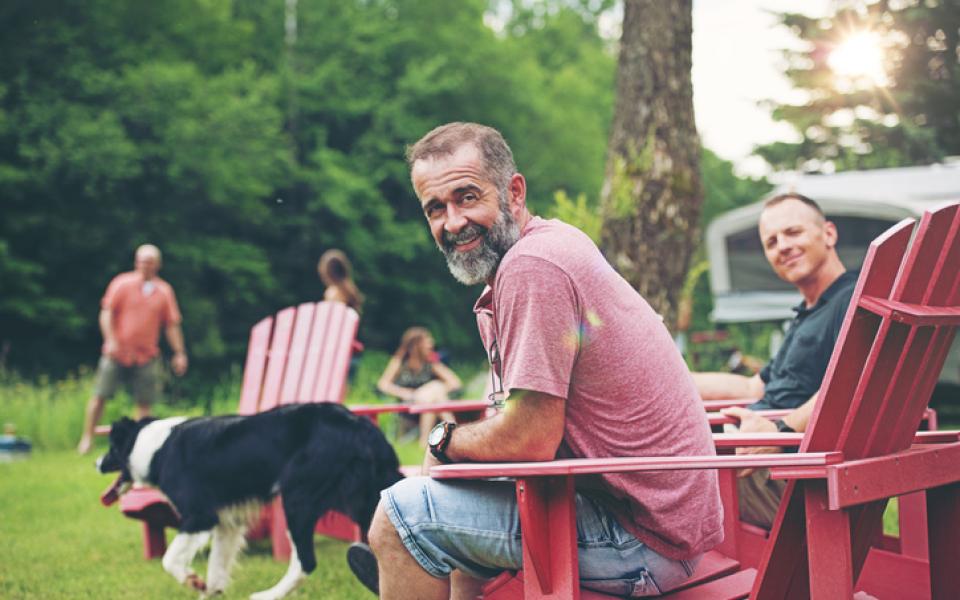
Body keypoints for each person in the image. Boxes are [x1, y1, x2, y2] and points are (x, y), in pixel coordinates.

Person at [347, 122, 722, 599]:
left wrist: (443, 439)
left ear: (514, 192)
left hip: (642, 540)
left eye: (466, 197)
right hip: (660, 522)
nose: (453, 222)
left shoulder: (532, 268)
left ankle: (408, 559)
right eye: (435, 208)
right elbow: (517, 422)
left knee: (398, 518)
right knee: (449, 501)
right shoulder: (547, 246)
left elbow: (530, 437)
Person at [692, 193, 857, 528]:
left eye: (793, 232)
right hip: (758, 453)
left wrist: (779, 433)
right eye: (771, 241)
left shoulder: (852, 299)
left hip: (787, 471)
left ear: (828, 234)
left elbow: (853, 383)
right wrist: (670, 375)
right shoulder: (808, 313)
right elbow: (756, 386)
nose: (782, 246)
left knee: (639, 477)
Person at [77, 244, 188, 455]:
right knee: (100, 395)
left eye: (150, 262)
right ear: (136, 262)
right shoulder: (122, 283)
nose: (145, 266)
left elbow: (171, 324)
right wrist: (110, 340)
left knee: (144, 402)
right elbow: (106, 313)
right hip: (116, 352)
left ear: (158, 265)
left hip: (146, 355)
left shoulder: (164, 291)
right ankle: (87, 438)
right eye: (141, 261)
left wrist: (179, 352)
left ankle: (137, 447)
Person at [377, 327, 462, 447]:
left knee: (434, 393)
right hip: (408, 405)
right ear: (416, 345)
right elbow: (383, 384)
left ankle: (424, 442)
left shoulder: (430, 363)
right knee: (435, 390)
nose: (431, 344)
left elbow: (455, 382)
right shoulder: (400, 362)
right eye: (427, 341)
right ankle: (455, 433)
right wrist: (404, 392)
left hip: (428, 403)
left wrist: (428, 391)